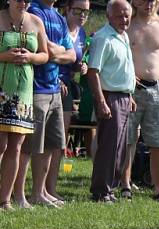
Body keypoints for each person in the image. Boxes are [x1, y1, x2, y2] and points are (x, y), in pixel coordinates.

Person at [16, 0, 76, 208]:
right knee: (28, 147)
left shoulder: (59, 17)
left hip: (54, 89)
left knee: (51, 145)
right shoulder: (32, 11)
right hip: (35, 87)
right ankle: (19, 194)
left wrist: (56, 53)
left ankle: (39, 192)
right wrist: (58, 52)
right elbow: (44, 49)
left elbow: (72, 54)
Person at [123, 0, 159, 203]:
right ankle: (125, 185)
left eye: (151, 0)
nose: (147, 4)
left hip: (157, 89)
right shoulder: (127, 24)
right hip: (131, 90)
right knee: (128, 140)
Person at [0, 0, 49, 210]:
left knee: (16, 146)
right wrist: (4, 56)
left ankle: (5, 200)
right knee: (0, 145)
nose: (24, 3)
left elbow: (45, 55)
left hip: (23, 94)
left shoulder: (36, 22)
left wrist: (30, 56)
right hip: (1, 90)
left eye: (27, 0)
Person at [85, 0, 135, 203]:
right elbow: (93, 71)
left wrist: (129, 96)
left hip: (123, 96)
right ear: (109, 16)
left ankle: (110, 189)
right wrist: (101, 102)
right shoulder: (103, 38)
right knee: (108, 146)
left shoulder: (123, 36)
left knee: (120, 147)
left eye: (127, 15)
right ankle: (100, 191)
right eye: (119, 15)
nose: (124, 19)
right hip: (109, 96)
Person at [50, 0, 89, 200]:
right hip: (49, 84)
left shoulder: (81, 33)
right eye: (78, 10)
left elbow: (73, 61)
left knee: (60, 141)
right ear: (67, 9)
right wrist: (55, 78)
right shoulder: (57, 25)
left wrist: (80, 68)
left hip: (67, 89)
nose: (82, 15)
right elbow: (49, 55)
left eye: (86, 12)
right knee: (37, 142)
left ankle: (51, 188)